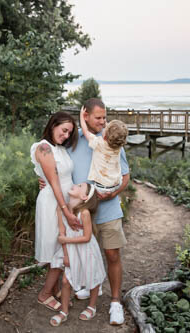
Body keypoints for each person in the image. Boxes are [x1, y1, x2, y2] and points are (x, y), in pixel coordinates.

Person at [69, 98, 129, 326]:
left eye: (105, 117)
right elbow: (57, 165)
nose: (103, 122)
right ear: (85, 116)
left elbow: (125, 177)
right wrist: (43, 180)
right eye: (99, 118)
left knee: (112, 255)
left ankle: (115, 303)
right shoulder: (72, 140)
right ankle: (87, 285)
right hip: (84, 211)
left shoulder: (110, 140)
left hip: (109, 209)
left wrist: (113, 193)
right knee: (85, 253)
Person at [30, 111, 80, 312]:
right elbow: (55, 183)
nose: (67, 135)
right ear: (53, 125)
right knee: (58, 249)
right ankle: (44, 294)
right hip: (54, 203)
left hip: (65, 201)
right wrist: (65, 210)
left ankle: (55, 287)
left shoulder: (59, 148)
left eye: (70, 132)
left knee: (63, 247)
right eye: (64, 130)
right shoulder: (44, 147)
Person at [49, 182, 106, 326]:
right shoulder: (62, 209)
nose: (75, 185)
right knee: (66, 281)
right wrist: (66, 255)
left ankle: (92, 306)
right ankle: (64, 311)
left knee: (92, 276)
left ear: (84, 196)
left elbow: (87, 237)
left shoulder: (84, 213)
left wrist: (66, 239)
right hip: (71, 250)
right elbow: (62, 232)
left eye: (80, 186)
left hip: (87, 249)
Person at [79, 105, 128, 194]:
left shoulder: (99, 143)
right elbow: (114, 132)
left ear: (105, 137)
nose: (103, 123)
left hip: (102, 188)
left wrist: (82, 117)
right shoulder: (118, 146)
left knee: (85, 195)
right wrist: (105, 121)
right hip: (117, 184)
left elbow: (85, 131)